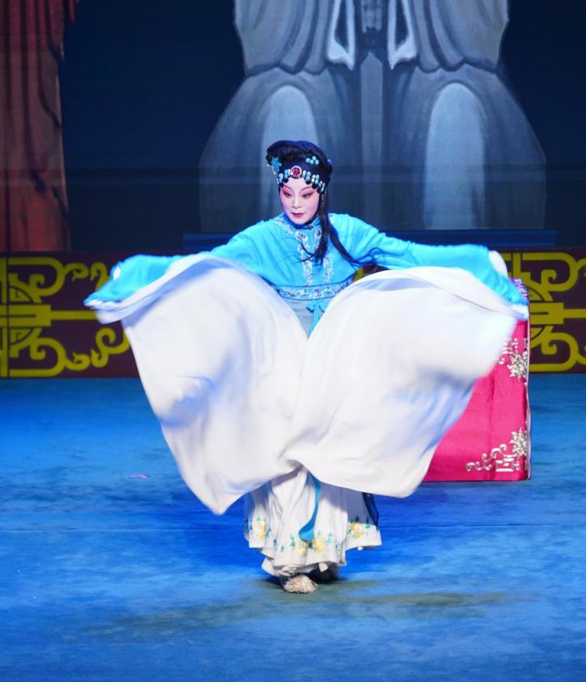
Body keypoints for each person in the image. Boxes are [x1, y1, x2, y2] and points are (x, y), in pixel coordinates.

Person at [86, 140, 527, 594]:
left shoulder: (346, 232)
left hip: (336, 358)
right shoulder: (261, 239)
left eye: (307, 194)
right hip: (282, 357)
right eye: (287, 194)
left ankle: (325, 552)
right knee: (291, 456)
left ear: (322, 192)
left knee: (335, 450)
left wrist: (479, 268)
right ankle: (289, 561)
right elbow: (203, 266)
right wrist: (141, 276)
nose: (296, 203)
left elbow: (409, 255)